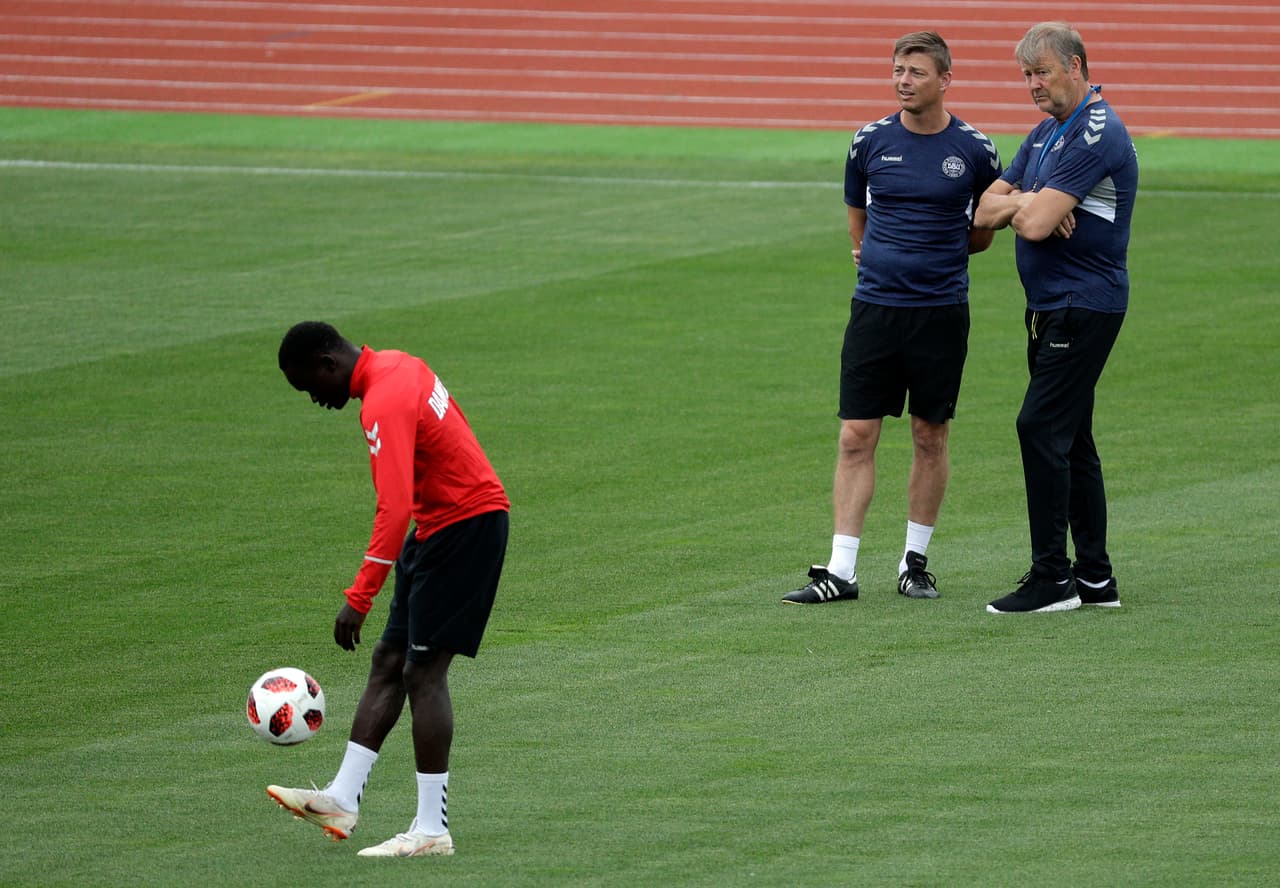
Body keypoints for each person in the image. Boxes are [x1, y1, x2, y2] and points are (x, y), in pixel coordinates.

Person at [267, 321, 510, 857]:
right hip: (438, 528)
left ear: (329, 364)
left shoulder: (383, 401)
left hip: (465, 527)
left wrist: (359, 597)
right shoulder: (400, 364)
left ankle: (431, 830)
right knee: (389, 659)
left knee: (423, 672)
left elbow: (393, 506)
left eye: (310, 387)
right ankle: (341, 798)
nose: (315, 400)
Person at [783, 31, 1002, 605]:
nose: (904, 81)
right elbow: (857, 217)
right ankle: (841, 570)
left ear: (945, 80)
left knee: (930, 435)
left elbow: (982, 232)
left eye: (917, 72)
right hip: (876, 310)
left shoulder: (976, 150)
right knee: (856, 435)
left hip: (940, 312)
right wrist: (875, 257)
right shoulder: (868, 142)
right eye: (898, 70)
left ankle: (915, 562)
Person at [974, 22, 1137, 614]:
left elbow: (1038, 226)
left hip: (1081, 303)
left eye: (1041, 71)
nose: (1033, 84)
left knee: (1038, 427)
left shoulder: (1094, 130)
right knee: (1073, 439)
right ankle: (1095, 580)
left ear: (1075, 65)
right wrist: (1025, 201)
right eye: (1025, 75)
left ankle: (1052, 579)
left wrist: (1029, 208)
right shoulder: (1047, 133)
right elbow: (984, 207)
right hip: (1053, 306)